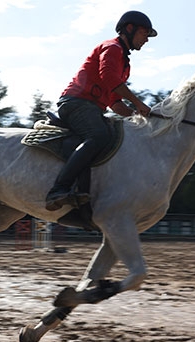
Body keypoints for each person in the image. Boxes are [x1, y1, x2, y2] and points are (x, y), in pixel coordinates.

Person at [45, 10, 157, 211]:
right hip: (76, 103)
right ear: (129, 29)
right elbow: (109, 78)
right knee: (98, 136)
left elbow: (114, 102)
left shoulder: (125, 64)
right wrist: (139, 103)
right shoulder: (112, 47)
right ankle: (58, 190)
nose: (146, 39)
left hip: (91, 109)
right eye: (144, 33)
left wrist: (136, 116)